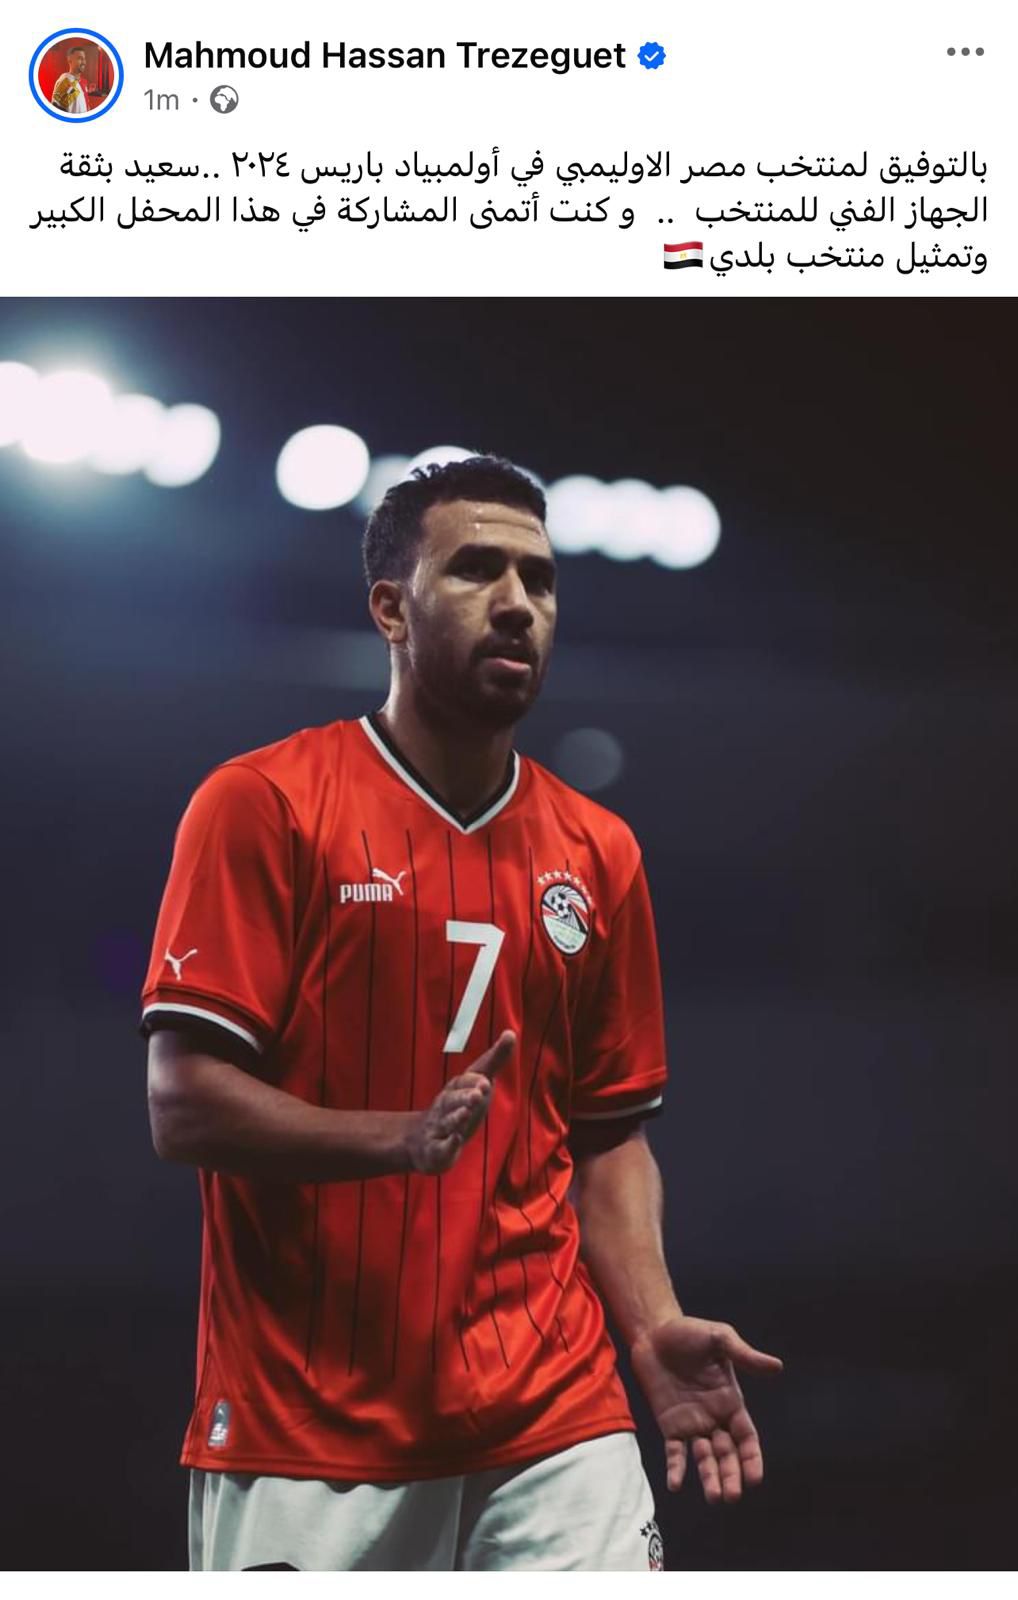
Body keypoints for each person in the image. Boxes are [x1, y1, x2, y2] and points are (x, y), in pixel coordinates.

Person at [140, 455, 782, 1571]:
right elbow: (182, 1103)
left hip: (555, 1417)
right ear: (390, 608)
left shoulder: (599, 851)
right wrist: (396, 1137)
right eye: (477, 569)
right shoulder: (264, 804)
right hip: (309, 1427)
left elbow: (609, 1138)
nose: (518, 602)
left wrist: (650, 1326)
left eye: (540, 578)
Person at [50, 45, 91, 115]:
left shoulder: (82, 81)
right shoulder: (65, 82)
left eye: (84, 59)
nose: (84, 62)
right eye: (80, 58)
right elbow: (56, 111)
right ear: (69, 60)